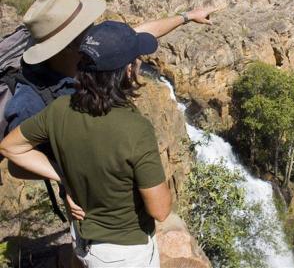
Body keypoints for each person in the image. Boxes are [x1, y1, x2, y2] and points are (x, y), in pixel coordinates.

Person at [0, 21, 172, 267]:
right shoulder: (136, 129)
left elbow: (9, 147)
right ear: (127, 72)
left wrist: (63, 175)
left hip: (82, 239)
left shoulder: (59, 108)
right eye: (136, 60)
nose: (139, 64)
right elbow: (161, 210)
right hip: (124, 252)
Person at [4, 0, 218, 179]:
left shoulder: (84, 54)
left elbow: (136, 35)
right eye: (86, 28)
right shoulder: (29, 102)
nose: (94, 31)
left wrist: (187, 16)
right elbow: (18, 165)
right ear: (67, 45)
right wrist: (68, 179)